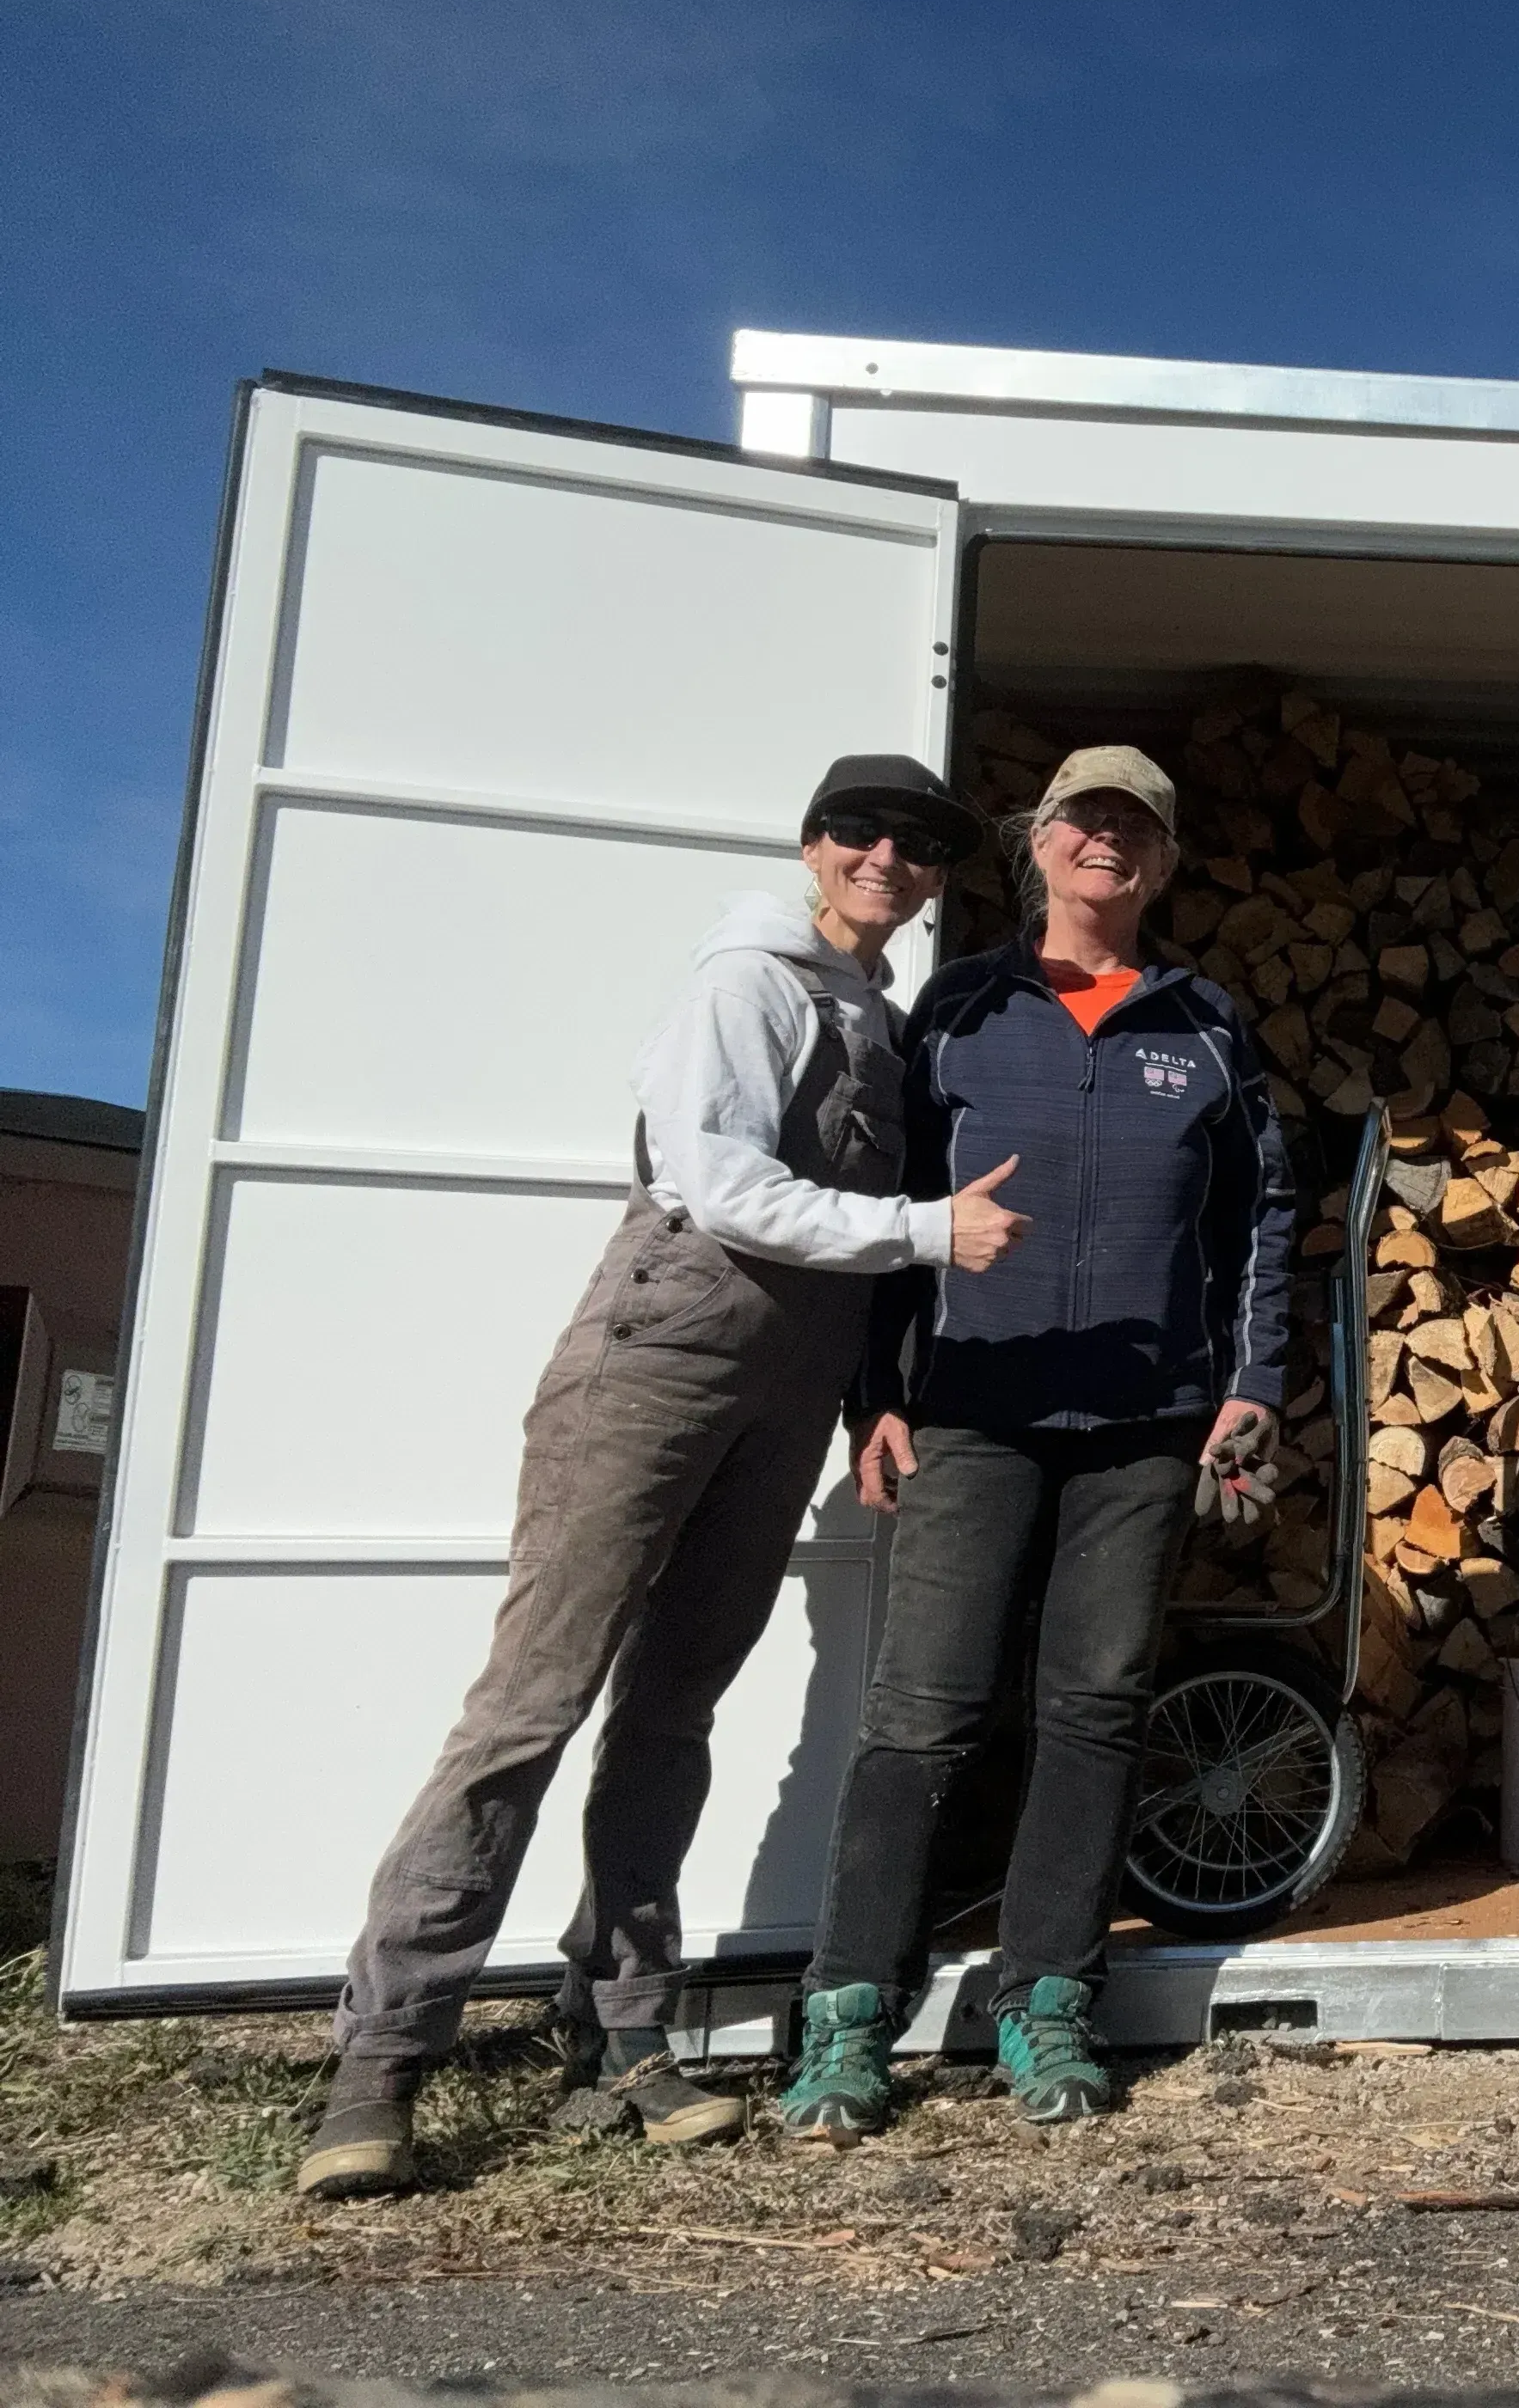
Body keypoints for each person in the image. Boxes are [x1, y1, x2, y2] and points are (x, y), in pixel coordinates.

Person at [297, 756, 1026, 2199]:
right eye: (861, 832)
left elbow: (843, 1249)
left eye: (922, 843)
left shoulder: (880, 1023)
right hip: (658, 1364)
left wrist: (875, 1389)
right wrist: (931, 1231)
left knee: (674, 1713)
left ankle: (623, 2024)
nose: (889, 857)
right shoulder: (744, 985)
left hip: (787, 1397)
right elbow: (722, 1183)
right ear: (814, 845)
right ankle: (381, 2063)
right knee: (531, 1707)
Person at [776, 743, 1296, 2140]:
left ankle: (1049, 1996)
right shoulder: (959, 1009)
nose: (1105, 843)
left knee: (1094, 1706)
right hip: (974, 1409)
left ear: (1164, 862)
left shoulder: (1202, 1025)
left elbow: (1259, 1215)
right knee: (920, 1713)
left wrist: (1253, 1377)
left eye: (1137, 826)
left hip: (1146, 1425)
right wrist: (875, 1395)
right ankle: (846, 2017)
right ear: (1040, 846)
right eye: (1083, 821)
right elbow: (891, 1215)